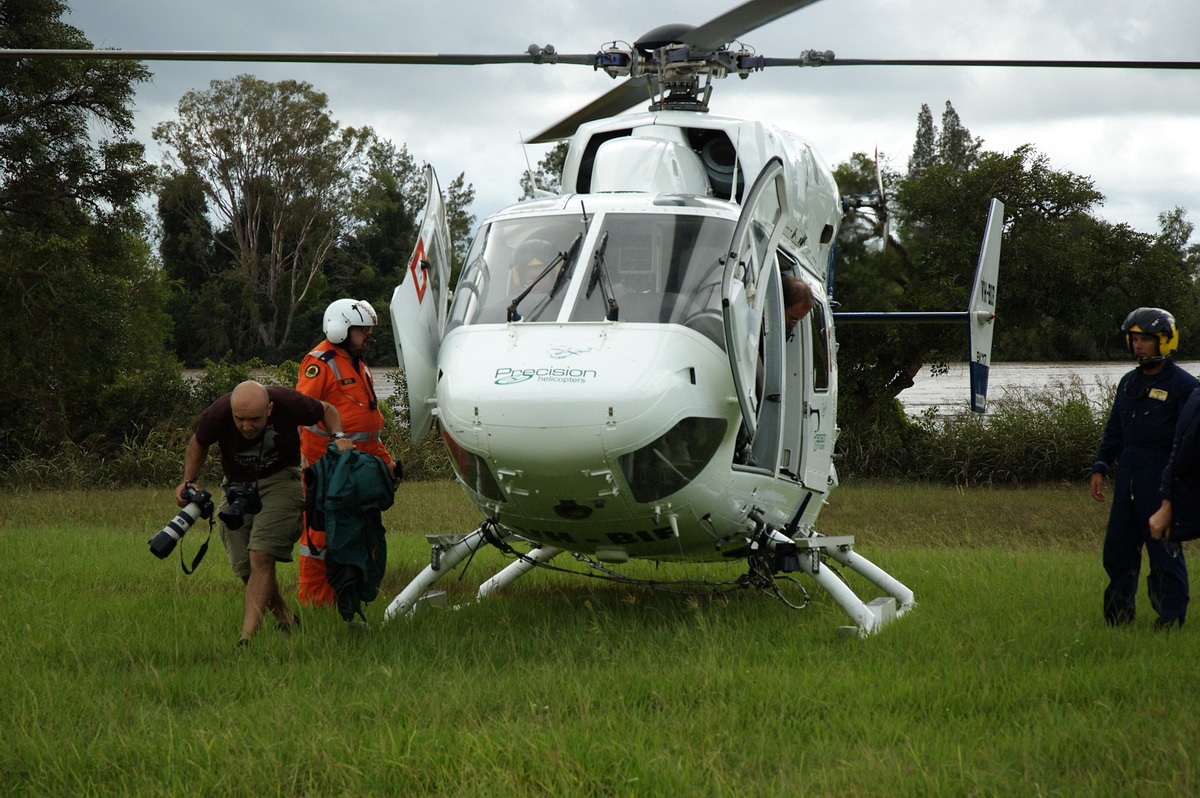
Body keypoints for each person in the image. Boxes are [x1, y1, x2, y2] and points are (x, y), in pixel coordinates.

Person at [176, 380, 353, 646]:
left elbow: (327, 409)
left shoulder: (287, 402)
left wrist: (338, 437)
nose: (247, 426)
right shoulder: (219, 412)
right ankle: (284, 616)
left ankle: (246, 638)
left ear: (269, 409)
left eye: (254, 419)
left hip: (281, 479)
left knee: (261, 554)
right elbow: (198, 442)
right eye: (241, 419)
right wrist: (188, 481)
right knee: (243, 563)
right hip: (236, 485)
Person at [1089, 308, 1197, 629]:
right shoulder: (1128, 383)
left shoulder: (1185, 387)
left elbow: (1192, 444)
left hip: (1163, 482)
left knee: (1164, 555)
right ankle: (1118, 618)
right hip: (1128, 481)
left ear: (1165, 341)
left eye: (1146, 340)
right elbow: (1114, 431)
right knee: (1117, 552)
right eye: (1134, 340)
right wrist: (1101, 465)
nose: (1139, 346)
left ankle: (1170, 618)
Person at [296, 298, 398, 608]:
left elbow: (368, 425)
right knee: (320, 539)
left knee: (354, 536)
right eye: (362, 330)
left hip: (356, 473)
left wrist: (386, 462)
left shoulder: (360, 365)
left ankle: (347, 598)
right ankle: (315, 602)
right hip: (325, 473)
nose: (368, 336)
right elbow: (299, 412)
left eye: (369, 330)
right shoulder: (320, 363)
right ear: (341, 329)